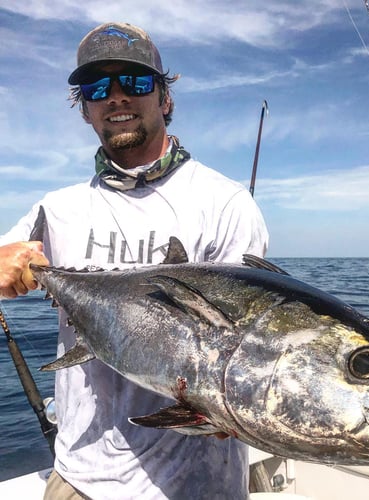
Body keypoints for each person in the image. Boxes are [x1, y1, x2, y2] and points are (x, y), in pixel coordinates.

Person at [0, 22, 268, 499]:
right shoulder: (56, 208)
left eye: (136, 82)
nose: (117, 97)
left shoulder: (226, 202)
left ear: (165, 98)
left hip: (200, 484)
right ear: (85, 110)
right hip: (80, 479)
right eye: (97, 87)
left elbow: (243, 346)